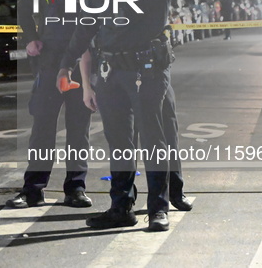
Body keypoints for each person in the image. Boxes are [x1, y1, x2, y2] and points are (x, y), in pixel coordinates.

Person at [57, 0, 257, 231]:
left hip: (147, 70)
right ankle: (121, 207)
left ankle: (158, 208)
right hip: (111, 72)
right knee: (119, 142)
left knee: (154, 140)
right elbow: (87, 24)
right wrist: (66, 63)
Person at [5, 0, 95, 209]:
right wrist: (30, 38)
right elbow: (23, 13)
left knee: (79, 129)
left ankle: (76, 188)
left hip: (82, 63)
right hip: (50, 62)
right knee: (43, 126)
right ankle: (33, 189)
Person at [79, 48, 193, 212]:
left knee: (166, 136)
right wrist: (86, 85)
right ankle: (124, 201)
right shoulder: (98, 22)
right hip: (114, 75)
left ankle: (174, 191)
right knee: (123, 141)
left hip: (151, 72)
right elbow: (85, 47)